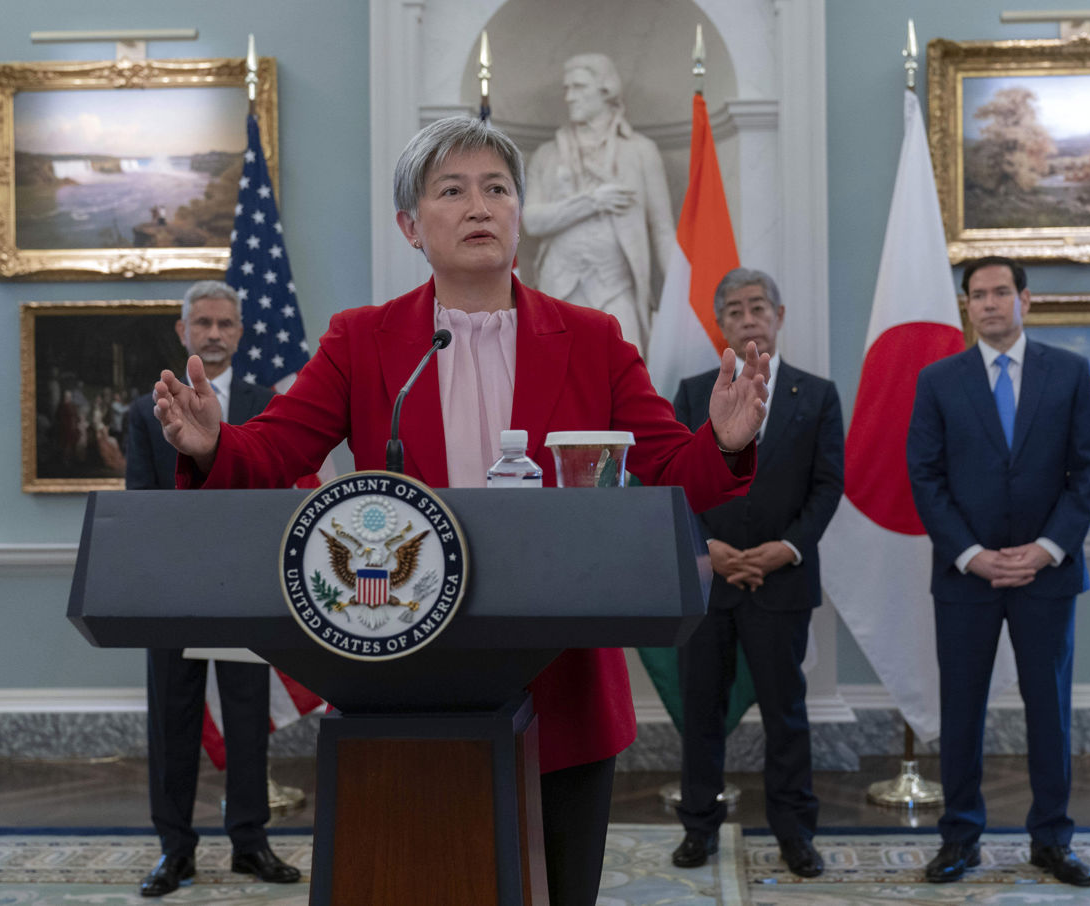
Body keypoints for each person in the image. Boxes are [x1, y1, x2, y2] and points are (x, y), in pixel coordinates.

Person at [151, 116, 770, 906]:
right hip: (404, 677)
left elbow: (673, 471)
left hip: (562, 681)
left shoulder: (594, 339)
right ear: (411, 225)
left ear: (519, 214)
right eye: (452, 191)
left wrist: (722, 438)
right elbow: (273, 454)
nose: (480, 206)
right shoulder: (362, 342)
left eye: (497, 189)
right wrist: (211, 445)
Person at [906, 256, 1090, 887]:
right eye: (977, 295)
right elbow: (926, 477)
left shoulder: (1069, 374)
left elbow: (1087, 471)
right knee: (961, 709)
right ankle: (959, 838)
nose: (989, 303)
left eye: (1000, 292)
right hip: (966, 575)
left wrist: (1047, 548)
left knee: (1049, 709)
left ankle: (1052, 839)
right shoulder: (939, 380)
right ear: (966, 306)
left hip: (1047, 575)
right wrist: (972, 554)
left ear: (1026, 299)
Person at [125, 280, 300, 897]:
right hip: (173, 598)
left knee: (248, 718)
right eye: (203, 323)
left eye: (226, 323)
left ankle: (251, 844)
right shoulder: (146, 411)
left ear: (242, 331)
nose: (215, 333)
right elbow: (142, 507)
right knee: (172, 722)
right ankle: (175, 851)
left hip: (247, 593)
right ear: (183, 332)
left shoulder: (267, 404)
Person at [670, 268, 843, 879]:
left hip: (782, 581)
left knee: (786, 714)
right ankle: (698, 826)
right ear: (720, 324)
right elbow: (673, 481)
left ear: (779, 315)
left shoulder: (816, 395)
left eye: (758, 307)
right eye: (735, 310)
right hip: (709, 579)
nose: (748, 318)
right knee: (701, 712)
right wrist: (707, 547)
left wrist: (786, 549)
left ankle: (795, 833)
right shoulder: (694, 393)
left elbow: (827, 488)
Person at [523, 53, 673, 352]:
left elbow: (662, 229)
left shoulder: (642, 152)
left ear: (606, 90)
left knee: (628, 376)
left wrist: (680, 296)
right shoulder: (546, 154)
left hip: (617, 286)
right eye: (566, 89)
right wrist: (592, 201)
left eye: (578, 87)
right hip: (559, 286)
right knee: (559, 381)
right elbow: (531, 221)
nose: (569, 97)